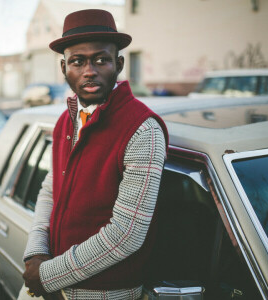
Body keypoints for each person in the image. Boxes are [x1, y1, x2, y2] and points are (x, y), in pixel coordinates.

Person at [20, 9, 169, 300]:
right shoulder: (66, 120)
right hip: (52, 281)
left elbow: (127, 234)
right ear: (64, 68)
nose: (89, 70)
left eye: (101, 59)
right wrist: (36, 252)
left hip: (106, 292)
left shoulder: (142, 130)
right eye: (77, 61)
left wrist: (48, 274)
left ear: (119, 64)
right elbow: (51, 190)